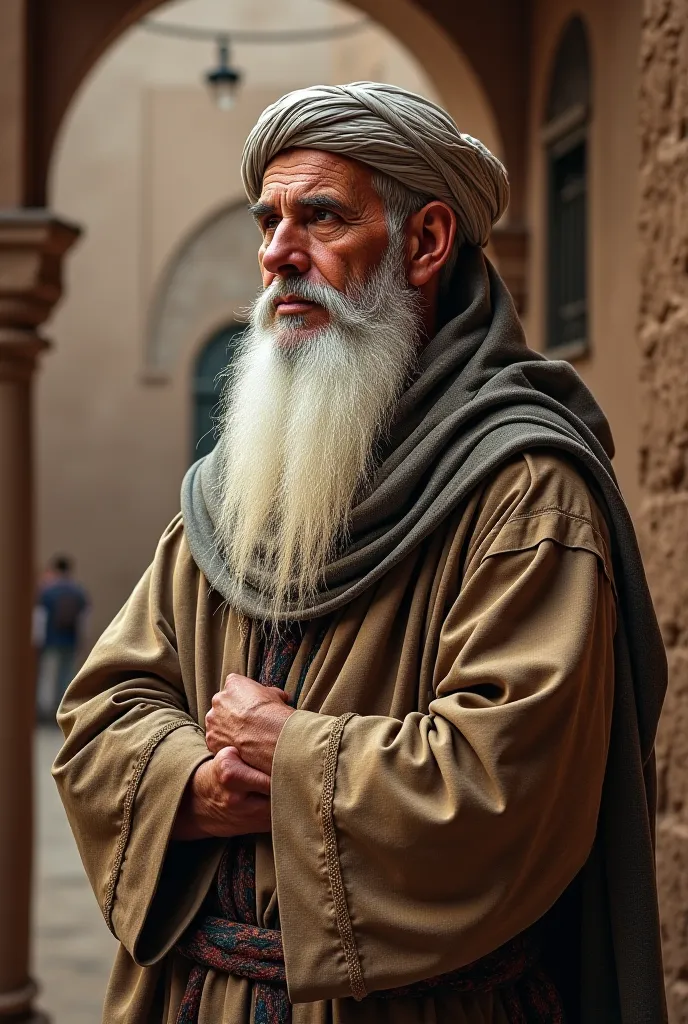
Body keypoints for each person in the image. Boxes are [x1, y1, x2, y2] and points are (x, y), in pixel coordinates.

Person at [53, 83, 667, 1023]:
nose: (277, 255)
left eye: (321, 218)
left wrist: (289, 756)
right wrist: (201, 780)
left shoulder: (526, 489)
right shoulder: (234, 485)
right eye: (269, 222)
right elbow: (102, 711)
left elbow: (508, 786)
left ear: (426, 243)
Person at [35, 554, 89, 721]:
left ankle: (46, 711)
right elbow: (84, 620)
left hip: (50, 641)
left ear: (55, 569)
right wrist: (82, 641)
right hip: (70, 641)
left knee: (48, 676)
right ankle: (65, 709)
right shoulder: (79, 592)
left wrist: (37, 641)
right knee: (67, 675)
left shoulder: (47, 592)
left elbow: (40, 618)